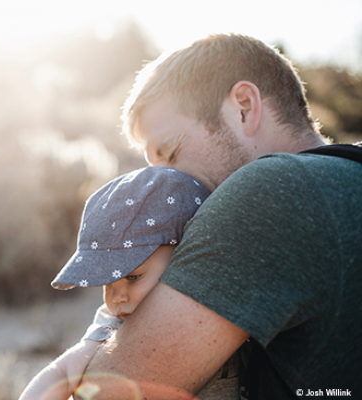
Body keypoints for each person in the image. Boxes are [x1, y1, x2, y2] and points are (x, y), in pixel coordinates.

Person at [74, 33, 362, 399]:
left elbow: (107, 395)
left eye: (171, 153)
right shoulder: (347, 177)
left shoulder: (268, 192)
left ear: (243, 106)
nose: (164, 185)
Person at [19, 166, 235, 400]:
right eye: (107, 283)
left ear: (185, 255)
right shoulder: (114, 323)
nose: (117, 297)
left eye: (133, 277)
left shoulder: (222, 297)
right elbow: (62, 371)